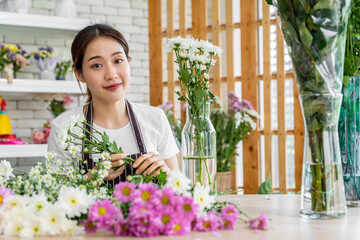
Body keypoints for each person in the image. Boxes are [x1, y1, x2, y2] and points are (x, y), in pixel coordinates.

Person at [47, 24, 179, 187]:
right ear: (79, 73)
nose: (111, 74)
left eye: (118, 61)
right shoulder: (64, 128)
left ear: (128, 62)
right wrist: (91, 178)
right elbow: (55, 198)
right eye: (97, 65)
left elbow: (180, 191)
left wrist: (166, 174)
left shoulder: (155, 118)